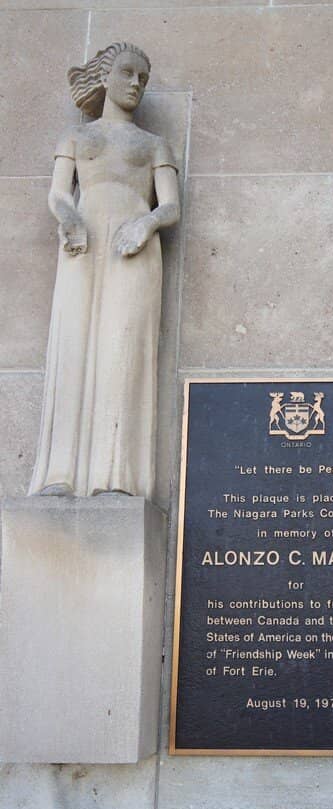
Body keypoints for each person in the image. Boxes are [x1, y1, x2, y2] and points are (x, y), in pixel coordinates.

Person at [29, 42, 180, 499]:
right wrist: (69, 218)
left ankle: (117, 477)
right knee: (73, 346)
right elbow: (59, 193)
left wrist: (147, 223)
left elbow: (171, 204)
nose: (135, 84)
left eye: (143, 78)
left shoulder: (154, 144)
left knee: (123, 350)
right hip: (82, 242)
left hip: (133, 245)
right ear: (104, 77)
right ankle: (61, 474)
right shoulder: (76, 138)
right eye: (128, 73)